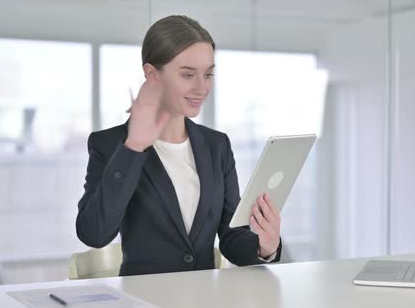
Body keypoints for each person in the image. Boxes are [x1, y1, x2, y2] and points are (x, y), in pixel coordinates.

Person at [76, 15, 282, 276]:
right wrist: (134, 148)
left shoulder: (216, 145)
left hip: (206, 305)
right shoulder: (110, 145)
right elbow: (93, 233)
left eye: (208, 74)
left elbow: (231, 238)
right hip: (144, 307)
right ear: (152, 75)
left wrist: (265, 247)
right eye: (188, 75)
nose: (202, 87)